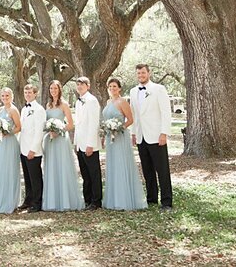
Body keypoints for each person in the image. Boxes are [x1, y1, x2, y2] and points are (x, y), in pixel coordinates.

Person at [130, 64, 173, 210]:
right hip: (142, 136)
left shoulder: (159, 89)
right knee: (147, 170)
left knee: (162, 170)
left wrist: (164, 133)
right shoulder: (133, 91)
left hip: (156, 135)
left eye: (143, 73)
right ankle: (152, 198)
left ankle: (166, 201)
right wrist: (134, 133)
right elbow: (134, 114)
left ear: (149, 73)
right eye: (138, 73)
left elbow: (166, 112)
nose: (141, 75)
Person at [103, 78, 147, 210]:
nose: (112, 88)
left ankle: (124, 199)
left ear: (119, 88)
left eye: (115, 86)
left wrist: (118, 128)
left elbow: (130, 119)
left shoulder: (122, 102)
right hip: (110, 138)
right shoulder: (108, 102)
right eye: (110, 86)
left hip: (120, 137)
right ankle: (113, 198)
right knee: (113, 165)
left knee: (121, 164)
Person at [42, 80, 84, 211]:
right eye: (51, 88)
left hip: (61, 140)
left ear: (59, 90)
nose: (53, 91)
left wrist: (59, 130)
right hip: (50, 140)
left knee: (62, 166)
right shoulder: (48, 105)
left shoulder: (64, 104)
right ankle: (52, 200)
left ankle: (65, 200)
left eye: (55, 88)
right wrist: (49, 130)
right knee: (51, 167)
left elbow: (71, 125)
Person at [74, 77, 102, 210]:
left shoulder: (92, 101)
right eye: (78, 84)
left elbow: (93, 124)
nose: (79, 86)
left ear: (88, 86)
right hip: (80, 143)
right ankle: (87, 199)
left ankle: (96, 201)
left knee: (93, 173)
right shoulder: (78, 102)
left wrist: (90, 144)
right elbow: (78, 124)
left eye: (82, 84)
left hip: (89, 144)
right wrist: (76, 143)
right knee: (85, 174)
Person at [18, 83, 46, 212]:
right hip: (23, 147)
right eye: (26, 92)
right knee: (27, 177)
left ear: (35, 94)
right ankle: (28, 200)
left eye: (30, 92)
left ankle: (37, 203)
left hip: (33, 150)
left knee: (35, 178)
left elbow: (39, 131)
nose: (27, 95)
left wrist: (33, 149)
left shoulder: (39, 109)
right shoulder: (24, 109)